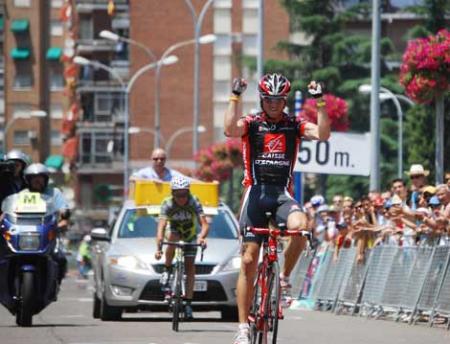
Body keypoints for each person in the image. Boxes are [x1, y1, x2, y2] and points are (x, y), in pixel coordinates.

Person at [224, 73, 330, 344]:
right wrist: (234, 96)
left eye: (279, 100)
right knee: (248, 260)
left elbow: (323, 134)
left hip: (282, 194)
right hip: (255, 193)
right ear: (262, 99)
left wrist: (319, 102)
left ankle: (283, 277)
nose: (273, 104)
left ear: (284, 101)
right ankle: (243, 329)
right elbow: (229, 129)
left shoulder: (294, 124)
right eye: (269, 100)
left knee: (301, 228)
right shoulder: (252, 123)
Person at [154, 176, 209, 320]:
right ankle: (167, 269)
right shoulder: (167, 203)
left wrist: (201, 237)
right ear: (172, 194)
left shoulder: (193, 201)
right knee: (173, 235)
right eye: (178, 195)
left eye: (184, 194)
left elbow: (204, 224)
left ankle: (189, 304)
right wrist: (159, 245)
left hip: (190, 234)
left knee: (190, 267)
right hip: (173, 232)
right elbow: (161, 226)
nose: (182, 198)